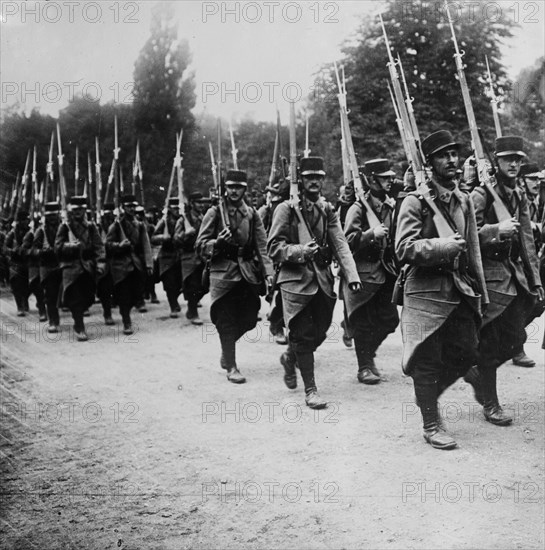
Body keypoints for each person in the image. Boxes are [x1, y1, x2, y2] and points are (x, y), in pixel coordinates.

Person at [395, 130, 488, 450]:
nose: (452, 160)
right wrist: (441, 246)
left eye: (454, 154)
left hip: (459, 289)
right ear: (430, 163)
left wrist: (482, 294)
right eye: (442, 155)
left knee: (467, 351)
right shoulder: (414, 201)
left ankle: (429, 398)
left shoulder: (463, 198)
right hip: (424, 293)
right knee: (428, 360)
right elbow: (403, 248)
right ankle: (431, 423)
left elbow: (473, 249)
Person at [267, 157, 361, 409]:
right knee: (302, 332)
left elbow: (339, 242)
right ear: (299, 180)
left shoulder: (326, 208)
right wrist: (300, 251)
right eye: (309, 177)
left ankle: (290, 357)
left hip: (321, 279)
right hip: (294, 281)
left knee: (319, 330)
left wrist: (351, 275)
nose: (315, 182)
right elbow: (274, 248)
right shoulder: (285, 209)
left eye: (319, 177)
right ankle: (311, 390)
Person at [467, 136, 543, 424]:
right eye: (508, 159)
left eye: (518, 159)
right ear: (495, 162)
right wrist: (495, 229)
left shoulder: (519, 195)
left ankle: (475, 373)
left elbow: (527, 241)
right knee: (489, 341)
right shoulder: (481, 194)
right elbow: (467, 235)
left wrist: (535, 281)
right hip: (487, 278)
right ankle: (490, 402)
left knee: (515, 338)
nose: (514, 164)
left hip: (513, 277)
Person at [196, 169, 273, 384]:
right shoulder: (214, 213)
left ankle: (226, 348)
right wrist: (217, 243)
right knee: (226, 320)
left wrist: (268, 273)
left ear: (244, 189)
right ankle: (231, 364)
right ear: (225, 188)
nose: (234, 191)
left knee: (250, 318)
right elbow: (200, 245)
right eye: (230, 187)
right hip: (223, 273)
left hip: (247, 272)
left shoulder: (251, 213)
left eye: (238, 187)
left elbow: (262, 246)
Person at [342, 159, 399, 384]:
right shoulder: (358, 208)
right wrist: (370, 234)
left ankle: (369, 355)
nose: (390, 181)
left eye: (390, 177)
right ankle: (364, 366)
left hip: (385, 272)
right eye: (384, 178)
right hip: (364, 273)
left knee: (389, 320)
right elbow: (347, 241)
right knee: (363, 324)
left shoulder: (389, 205)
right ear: (372, 180)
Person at [55, 196, 105, 341]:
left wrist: (101, 264)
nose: (78, 212)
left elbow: (99, 247)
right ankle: (79, 326)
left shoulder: (91, 227)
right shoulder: (64, 227)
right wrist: (69, 246)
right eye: (75, 210)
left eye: (80, 209)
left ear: (85, 210)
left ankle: (79, 319)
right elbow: (57, 248)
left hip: (88, 268)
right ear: (71, 211)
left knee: (88, 297)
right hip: (70, 268)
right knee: (75, 299)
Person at [509, 162, 543, 367]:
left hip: (531, 258)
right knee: (519, 304)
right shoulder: (517, 199)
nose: (536, 183)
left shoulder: (536, 201)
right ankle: (516, 348)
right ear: (522, 180)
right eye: (532, 178)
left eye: (538, 179)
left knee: (537, 304)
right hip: (515, 259)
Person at [105, 195, 153, 335]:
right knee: (124, 295)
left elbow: (146, 244)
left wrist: (148, 264)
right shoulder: (116, 225)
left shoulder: (140, 224)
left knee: (137, 293)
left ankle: (127, 313)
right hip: (120, 266)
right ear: (122, 208)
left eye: (133, 206)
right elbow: (107, 245)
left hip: (136, 265)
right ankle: (127, 321)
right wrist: (119, 245)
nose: (131, 209)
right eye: (128, 206)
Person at [173, 192, 208, 325]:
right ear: (192, 204)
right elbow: (175, 239)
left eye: (202, 202)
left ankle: (191, 308)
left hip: (202, 257)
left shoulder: (204, 217)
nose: (201, 205)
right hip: (188, 257)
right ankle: (193, 312)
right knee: (193, 285)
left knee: (205, 285)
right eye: (198, 202)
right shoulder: (183, 219)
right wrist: (185, 234)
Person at [32, 202, 62, 333]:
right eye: (50, 215)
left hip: (63, 264)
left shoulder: (64, 227)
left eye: (54, 215)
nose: (52, 218)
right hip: (48, 266)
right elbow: (34, 250)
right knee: (50, 295)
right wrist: (42, 252)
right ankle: (53, 321)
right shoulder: (41, 230)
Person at [151, 198, 183, 318]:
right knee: (169, 284)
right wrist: (163, 237)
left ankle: (175, 299)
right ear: (169, 209)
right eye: (174, 208)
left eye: (178, 208)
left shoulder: (182, 220)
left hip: (179, 255)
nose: (176, 211)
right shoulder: (163, 221)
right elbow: (153, 238)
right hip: (166, 256)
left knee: (181, 283)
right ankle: (173, 306)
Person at [4, 210, 31, 316]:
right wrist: (12, 251)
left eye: (27, 219)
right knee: (16, 285)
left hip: (28, 261)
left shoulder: (31, 232)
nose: (26, 221)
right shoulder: (12, 233)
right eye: (24, 220)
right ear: (20, 221)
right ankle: (20, 306)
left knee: (30, 285)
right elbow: (5, 247)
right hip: (15, 262)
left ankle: (25, 299)